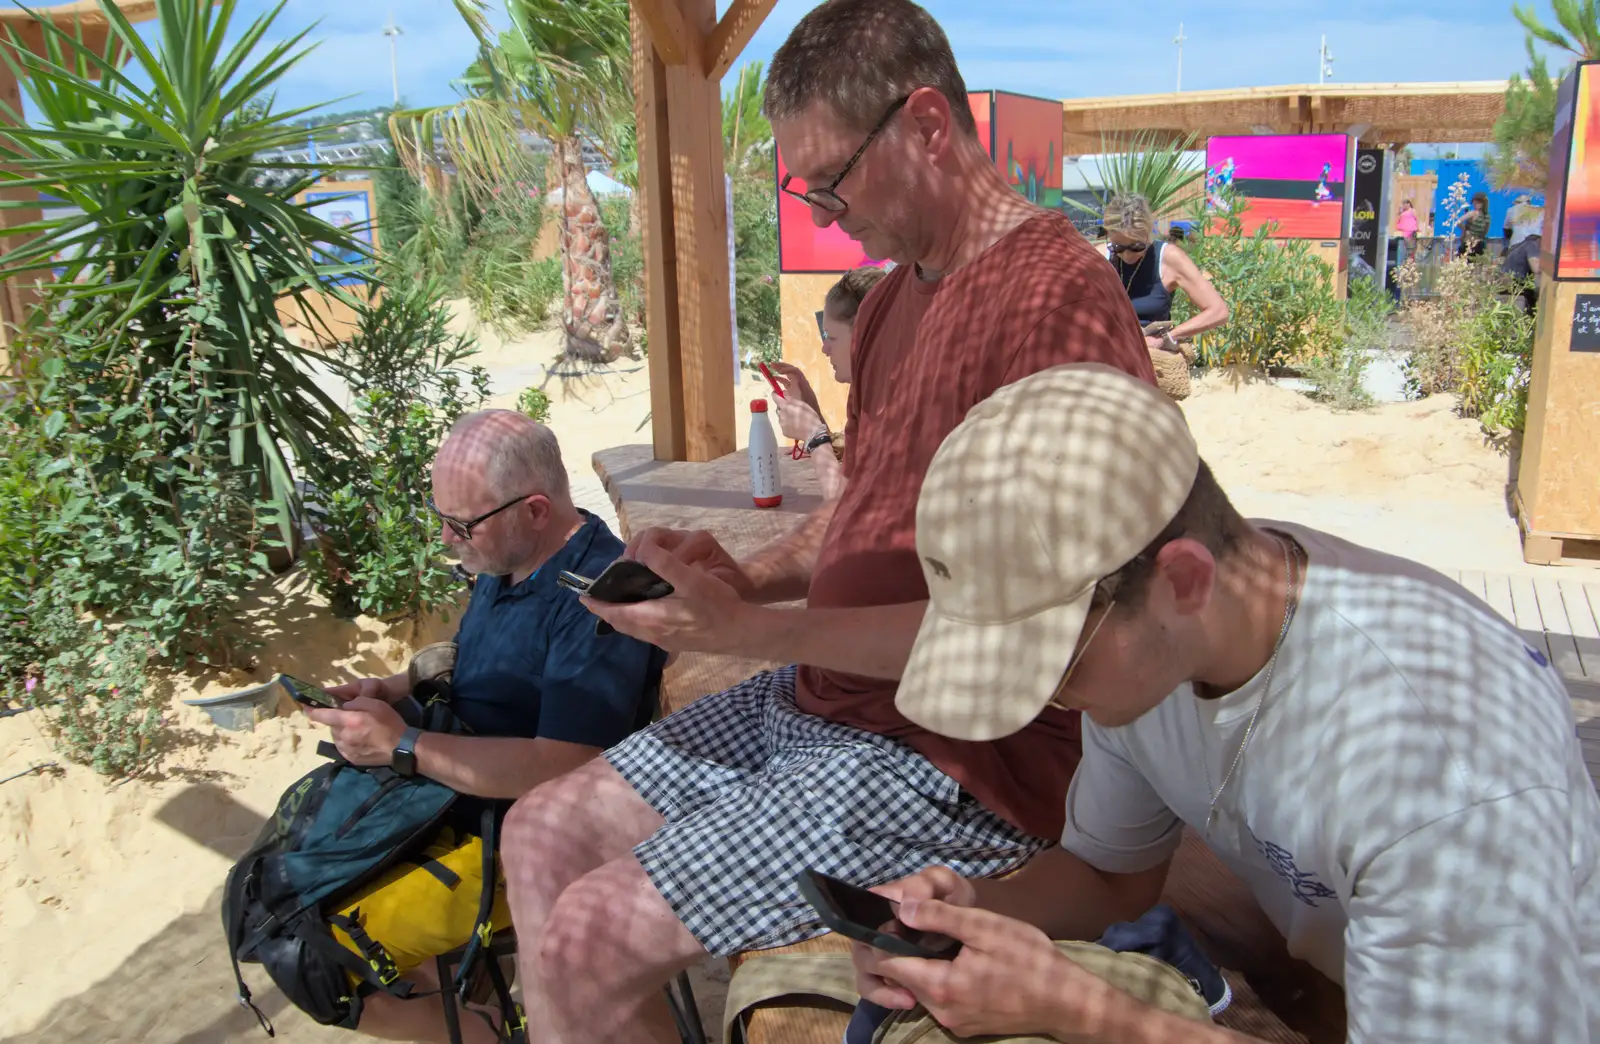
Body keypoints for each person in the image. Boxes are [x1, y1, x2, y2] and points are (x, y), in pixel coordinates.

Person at [494, 1, 1156, 1040]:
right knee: (537, 836)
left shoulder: (1051, 297)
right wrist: (741, 579)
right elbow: (863, 504)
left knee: (585, 935)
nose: (822, 211)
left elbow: (1060, 627)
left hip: (957, 763)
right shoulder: (895, 302)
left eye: (830, 179)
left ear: (928, 126)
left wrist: (759, 633)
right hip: (826, 703)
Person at [849, 363, 1600, 1042]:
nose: (1043, 694)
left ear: (1183, 579)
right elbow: (1112, 874)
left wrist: (1078, 1010)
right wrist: (975, 909)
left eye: (1050, 659)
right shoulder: (1161, 647)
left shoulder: (1437, 768)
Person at [304, 410, 665, 1044]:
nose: (447, 540)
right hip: (454, 801)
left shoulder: (596, 599)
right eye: (440, 518)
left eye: (462, 524)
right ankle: (474, 1005)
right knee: (281, 891)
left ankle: (495, 1030)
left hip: (524, 838)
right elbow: (492, 658)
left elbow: (566, 763)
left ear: (534, 510)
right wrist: (398, 687)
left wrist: (404, 745)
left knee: (317, 956)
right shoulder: (508, 561)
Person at [769, 265, 888, 500]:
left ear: (865, 337)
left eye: (831, 337)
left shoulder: (887, 401)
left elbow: (843, 505)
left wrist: (813, 434)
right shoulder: (869, 390)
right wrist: (812, 411)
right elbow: (850, 471)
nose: (825, 349)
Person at [1100, 193, 1229, 356]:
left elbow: (1218, 311)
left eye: (1137, 247)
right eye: (1118, 247)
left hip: (1151, 360)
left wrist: (1166, 337)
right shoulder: (1098, 258)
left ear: (1149, 232)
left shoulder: (1169, 258)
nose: (1127, 255)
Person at [1502, 231, 1542, 314]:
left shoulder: (1521, 245)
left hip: (1506, 283)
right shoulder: (1532, 245)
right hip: (1515, 285)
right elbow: (1536, 268)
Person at [1459, 191, 1491, 258]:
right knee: (1478, 265)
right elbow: (1485, 232)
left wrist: (1465, 230)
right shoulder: (1487, 216)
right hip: (1480, 244)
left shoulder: (1473, 213)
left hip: (1469, 243)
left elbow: (1459, 221)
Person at [1393, 198, 1419, 268]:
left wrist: (1417, 229)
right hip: (1403, 233)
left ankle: (1410, 265)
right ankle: (1403, 264)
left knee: (1410, 250)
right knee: (1403, 250)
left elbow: (1417, 220)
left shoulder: (1412, 211)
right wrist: (1399, 212)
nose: (1403, 206)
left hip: (1411, 233)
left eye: (1404, 204)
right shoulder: (1402, 213)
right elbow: (1397, 220)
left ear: (1408, 204)